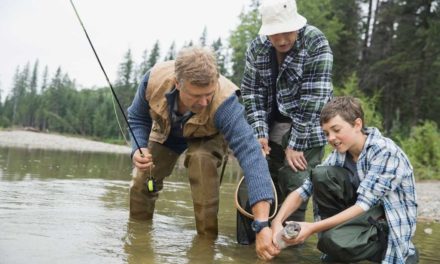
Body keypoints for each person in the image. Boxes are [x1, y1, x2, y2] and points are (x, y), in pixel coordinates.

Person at [127, 46, 279, 260]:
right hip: (168, 131)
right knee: (142, 178)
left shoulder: (225, 104)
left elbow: (251, 155)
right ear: (178, 84)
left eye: (209, 94)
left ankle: (206, 245)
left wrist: (262, 224)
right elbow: (137, 118)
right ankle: (137, 237)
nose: (204, 102)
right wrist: (138, 146)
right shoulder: (153, 80)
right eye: (196, 95)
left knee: (201, 161)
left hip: (209, 135)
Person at [271, 96, 418, 263]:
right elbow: (303, 191)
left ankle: (377, 250)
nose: (331, 138)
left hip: (388, 231)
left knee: (331, 241)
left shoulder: (385, 152)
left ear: (357, 125)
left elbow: (363, 204)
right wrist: (277, 221)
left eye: (336, 130)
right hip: (364, 219)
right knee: (320, 174)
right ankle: (340, 242)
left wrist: (310, 228)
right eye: (326, 133)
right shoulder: (339, 154)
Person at [241, 0, 333, 222]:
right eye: (274, 34)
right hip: (271, 125)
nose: (281, 40)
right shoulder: (256, 47)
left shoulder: (315, 42)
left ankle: (290, 245)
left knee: (296, 182)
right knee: (263, 182)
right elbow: (251, 93)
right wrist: (259, 133)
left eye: (287, 32)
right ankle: (258, 238)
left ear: (297, 26)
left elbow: (315, 99)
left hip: (307, 129)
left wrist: (296, 144)